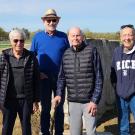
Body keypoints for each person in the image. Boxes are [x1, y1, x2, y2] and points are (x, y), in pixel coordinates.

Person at [53, 27, 103, 135]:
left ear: (82, 37)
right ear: (69, 38)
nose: (75, 38)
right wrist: (58, 94)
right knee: (75, 133)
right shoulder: (66, 54)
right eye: (73, 35)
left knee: (91, 132)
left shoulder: (92, 51)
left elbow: (99, 77)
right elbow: (62, 78)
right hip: (73, 102)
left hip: (89, 102)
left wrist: (94, 100)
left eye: (78, 35)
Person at [30, 9, 69, 135]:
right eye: (49, 20)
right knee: (45, 108)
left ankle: (59, 132)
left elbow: (69, 56)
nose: (51, 22)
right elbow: (31, 58)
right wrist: (37, 73)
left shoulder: (63, 37)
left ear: (57, 21)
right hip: (43, 79)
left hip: (60, 79)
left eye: (54, 20)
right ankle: (45, 132)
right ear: (44, 21)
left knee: (59, 108)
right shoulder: (37, 37)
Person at [0, 29, 40, 135]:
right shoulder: (4, 56)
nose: (19, 43)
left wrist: (36, 101)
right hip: (8, 100)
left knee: (26, 128)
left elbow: (36, 79)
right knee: (7, 128)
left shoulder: (31, 57)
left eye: (22, 41)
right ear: (11, 42)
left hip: (26, 100)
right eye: (16, 40)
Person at [111, 24, 135, 135]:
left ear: (134, 36)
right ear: (120, 37)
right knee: (123, 125)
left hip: (134, 94)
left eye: (130, 35)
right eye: (124, 35)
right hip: (120, 95)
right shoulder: (116, 52)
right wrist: (117, 88)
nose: (127, 38)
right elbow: (113, 72)